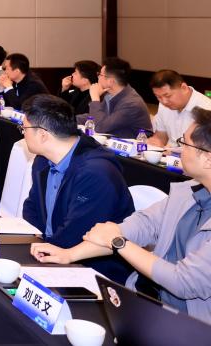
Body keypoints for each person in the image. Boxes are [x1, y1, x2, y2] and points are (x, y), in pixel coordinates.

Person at [31, 107, 211, 324]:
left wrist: (119, 242)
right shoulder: (188, 192)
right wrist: (69, 255)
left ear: (207, 159)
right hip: (144, 300)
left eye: (185, 143)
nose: (179, 149)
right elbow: (141, 225)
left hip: (191, 323)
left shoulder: (96, 170)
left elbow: (183, 281)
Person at [19, 95, 134, 281]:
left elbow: (77, 233)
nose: (22, 133)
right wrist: (38, 244)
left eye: (24, 128)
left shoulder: (96, 173)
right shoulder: (42, 161)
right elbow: (32, 207)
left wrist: (46, 250)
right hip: (52, 253)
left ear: (42, 135)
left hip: (94, 271)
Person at [85, 57, 152, 139]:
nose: (98, 77)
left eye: (100, 75)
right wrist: (72, 120)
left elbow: (100, 126)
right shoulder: (110, 95)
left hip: (136, 145)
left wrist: (95, 99)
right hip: (113, 141)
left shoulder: (131, 103)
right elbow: (97, 116)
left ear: (111, 81)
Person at [149, 69, 211, 148]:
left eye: (168, 96)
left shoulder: (206, 109)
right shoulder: (163, 104)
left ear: (184, 88)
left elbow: (205, 150)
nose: (164, 101)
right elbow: (161, 136)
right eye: (158, 97)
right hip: (169, 153)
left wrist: (175, 152)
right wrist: (155, 142)